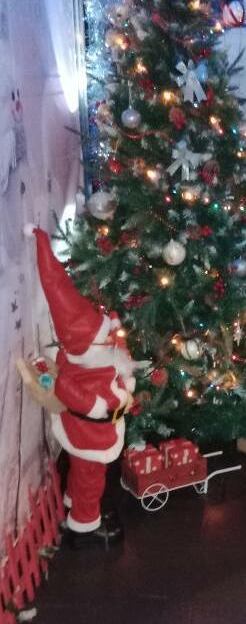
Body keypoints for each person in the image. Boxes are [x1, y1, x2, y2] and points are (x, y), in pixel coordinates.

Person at [28, 227, 137, 548]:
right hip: (91, 436)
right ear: (92, 346)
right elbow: (77, 396)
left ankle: (73, 503)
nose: (112, 339)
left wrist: (113, 328)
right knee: (90, 480)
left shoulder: (91, 359)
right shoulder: (88, 373)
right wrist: (108, 403)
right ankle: (85, 526)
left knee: (80, 473)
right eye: (106, 338)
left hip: (92, 433)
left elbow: (117, 351)